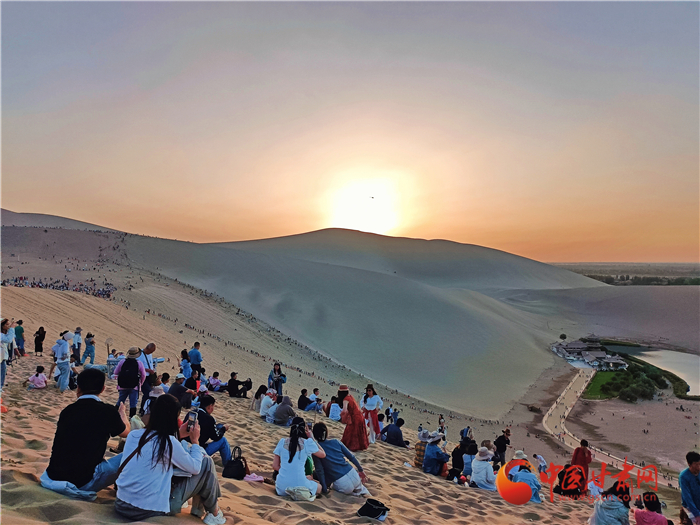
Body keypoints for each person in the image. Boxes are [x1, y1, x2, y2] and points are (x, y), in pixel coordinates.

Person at [114, 394, 227, 524]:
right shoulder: (168, 442)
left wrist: (178, 434)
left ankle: (200, 511)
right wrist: (195, 441)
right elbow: (195, 468)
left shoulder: (134, 435)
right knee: (206, 462)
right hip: (148, 510)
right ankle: (213, 513)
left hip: (121, 503)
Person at [41, 368, 130, 499]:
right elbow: (126, 433)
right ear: (102, 389)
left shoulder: (67, 411)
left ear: (78, 388)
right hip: (85, 481)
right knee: (134, 453)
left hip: (53, 476)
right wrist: (123, 415)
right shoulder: (107, 411)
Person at [312, 422, 370, 496]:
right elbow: (351, 457)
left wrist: (324, 488)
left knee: (318, 475)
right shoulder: (336, 442)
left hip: (342, 483)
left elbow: (320, 470)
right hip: (354, 475)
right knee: (362, 490)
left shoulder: (316, 450)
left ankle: (355, 494)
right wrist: (360, 470)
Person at [273, 417, 326, 497]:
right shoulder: (306, 443)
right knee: (319, 487)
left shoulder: (282, 442)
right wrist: (312, 438)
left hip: (281, 488)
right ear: (304, 429)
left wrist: (288, 471)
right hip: (300, 484)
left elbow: (275, 466)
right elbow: (323, 454)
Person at [196, 395, 231, 465]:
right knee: (223, 440)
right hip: (199, 451)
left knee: (219, 426)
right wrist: (223, 429)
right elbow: (216, 437)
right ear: (210, 406)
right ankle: (229, 465)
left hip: (188, 447)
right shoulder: (209, 419)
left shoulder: (192, 413)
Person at [114, 347, 147, 417]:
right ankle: (132, 418)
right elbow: (143, 375)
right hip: (134, 386)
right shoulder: (139, 363)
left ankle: (113, 414)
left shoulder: (122, 361)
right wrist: (140, 383)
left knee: (120, 401)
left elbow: (116, 372)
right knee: (133, 404)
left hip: (122, 385)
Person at [338, 384, 369, 452]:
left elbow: (345, 410)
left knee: (350, 432)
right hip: (360, 416)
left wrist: (342, 415)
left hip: (354, 417)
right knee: (357, 432)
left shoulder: (345, 399)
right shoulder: (350, 397)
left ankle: (350, 446)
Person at [680, 451, 700, 525]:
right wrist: (697, 514)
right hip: (689, 509)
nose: (698, 467)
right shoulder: (684, 476)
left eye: (699, 464)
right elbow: (687, 497)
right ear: (689, 464)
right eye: (696, 465)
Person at [137, 343, 157, 414]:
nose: (151, 353)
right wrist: (148, 370)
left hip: (149, 377)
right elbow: (138, 367)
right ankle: (143, 410)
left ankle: (144, 409)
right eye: (150, 351)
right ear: (147, 348)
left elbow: (150, 363)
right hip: (142, 377)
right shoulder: (140, 355)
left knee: (149, 393)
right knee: (148, 393)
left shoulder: (150, 355)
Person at [1, 318, 17, 391]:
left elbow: (12, 337)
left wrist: (10, 328)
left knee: (3, 373)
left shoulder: (4, 333)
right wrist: (12, 328)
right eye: (6, 324)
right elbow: (9, 339)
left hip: (3, 357)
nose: (8, 326)